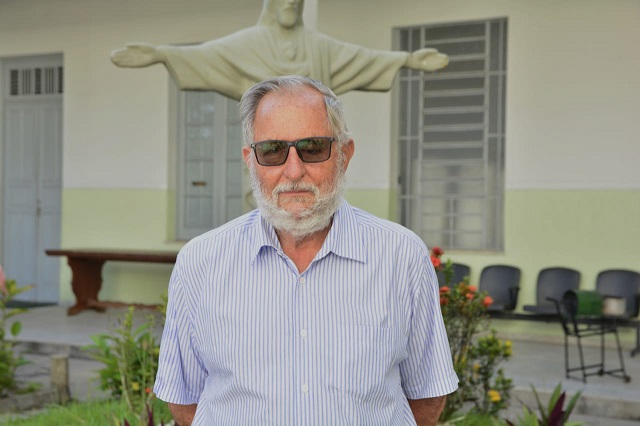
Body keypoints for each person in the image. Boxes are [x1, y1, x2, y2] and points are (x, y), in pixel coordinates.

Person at [153, 75, 458, 425]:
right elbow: (185, 401)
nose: (293, 171)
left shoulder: (401, 256)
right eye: (272, 151)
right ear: (250, 160)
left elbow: (427, 394)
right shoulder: (200, 262)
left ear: (344, 154)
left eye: (313, 148)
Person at [111, 0, 448, 100]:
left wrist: (406, 60)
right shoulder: (248, 43)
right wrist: (161, 54)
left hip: (315, 148)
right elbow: (206, 55)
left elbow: (360, 58)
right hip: (267, 151)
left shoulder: (318, 46)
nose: (290, 2)